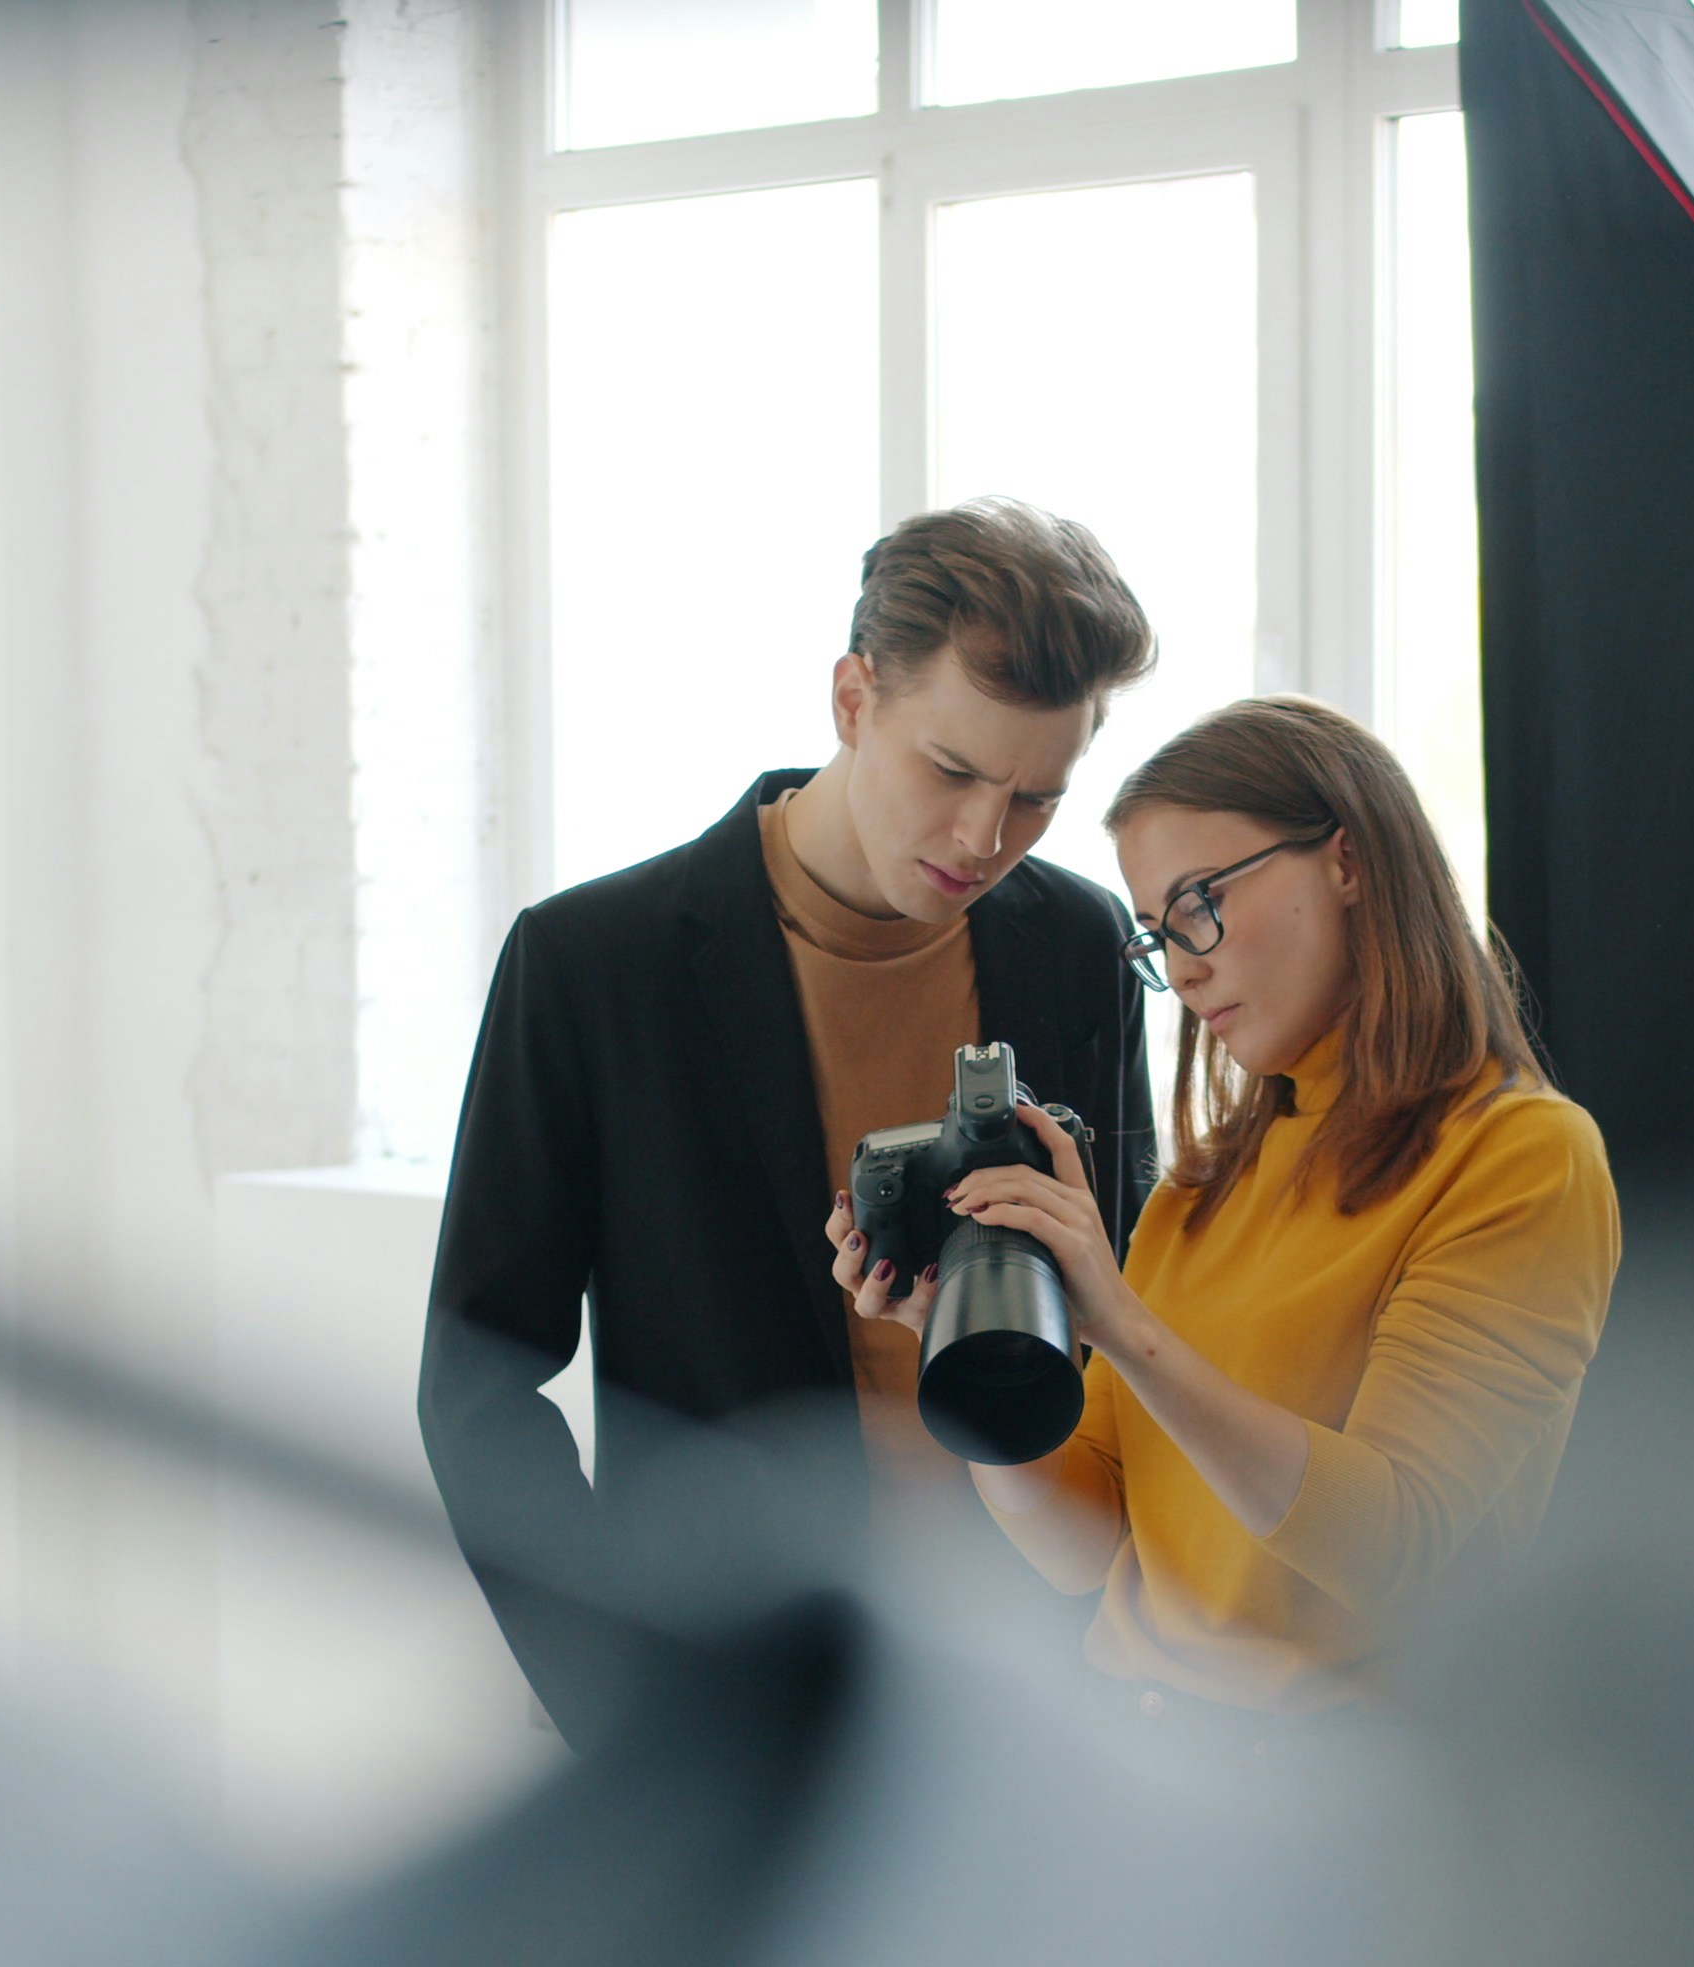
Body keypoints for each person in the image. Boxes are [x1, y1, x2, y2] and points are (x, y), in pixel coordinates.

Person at [422, 500, 1161, 1742]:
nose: (988, 838)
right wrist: (611, 1691)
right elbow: (478, 1383)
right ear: (853, 699)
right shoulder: (598, 963)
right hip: (732, 1682)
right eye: (955, 771)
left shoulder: (1079, 941)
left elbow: (1132, 1281)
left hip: (1046, 1664)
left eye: (1037, 796)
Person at [829, 695, 1620, 1715]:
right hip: (1136, 1764)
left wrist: (1115, 1316)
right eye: (1158, 934)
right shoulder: (1206, 1185)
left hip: (1348, 1801)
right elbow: (1085, 1552)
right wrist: (964, 1352)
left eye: (1200, 901)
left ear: (1348, 861)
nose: (1187, 965)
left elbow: (1399, 1548)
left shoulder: (1523, 1158)